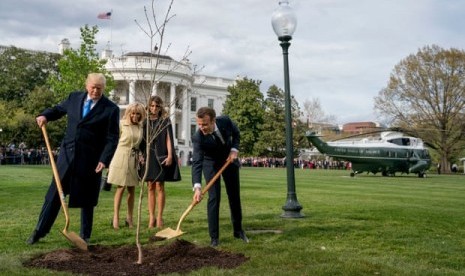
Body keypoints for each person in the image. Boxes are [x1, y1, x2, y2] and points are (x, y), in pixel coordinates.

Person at [27, 73, 120, 245]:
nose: (95, 91)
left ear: (103, 88)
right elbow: (58, 110)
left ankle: (85, 235)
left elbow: (112, 138)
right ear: (87, 85)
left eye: (99, 88)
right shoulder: (74, 98)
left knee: (87, 198)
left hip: (91, 160)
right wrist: (45, 115)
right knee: (54, 193)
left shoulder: (111, 109)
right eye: (93, 87)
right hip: (67, 156)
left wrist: (104, 159)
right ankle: (39, 231)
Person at [191, 107, 248, 247]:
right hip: (210, 163)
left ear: (213, 121)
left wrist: (234, 150)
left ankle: (238, 230)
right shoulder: (198, 137)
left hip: (229, 160)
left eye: (204, 124)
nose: (201, 127)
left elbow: (236, 133)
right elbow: (197, 162)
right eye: (199, 124)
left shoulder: (226, 121)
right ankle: (214, 237)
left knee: (234, 196)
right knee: (214, 198)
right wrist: (197, 187)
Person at [140, 95, 181, 229]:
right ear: (148, 106)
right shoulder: (144, 121)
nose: (154, 108)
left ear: (160, 107)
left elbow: (169, 139)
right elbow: (140, 140)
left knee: (160, 186)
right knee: (150, 186)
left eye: (157, 106)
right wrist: (141, 155)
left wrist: (170, 156)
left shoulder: (165, 120)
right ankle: (151, 217)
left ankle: (160, 217)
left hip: (161, 154)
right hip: (148, 155)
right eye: (152, 105)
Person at [107, 103, 146, 229]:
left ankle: (129, 218)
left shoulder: (141, 127)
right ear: (128, 113)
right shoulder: (121, 124)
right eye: (133, 113)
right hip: (121, 156)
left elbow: (139, 144)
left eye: (138, 113)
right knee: (121, 187)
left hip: (133, 159)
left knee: (132, 189)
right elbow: (113, 141)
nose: (135, 116)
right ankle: (116, 217)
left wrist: (140, 155)